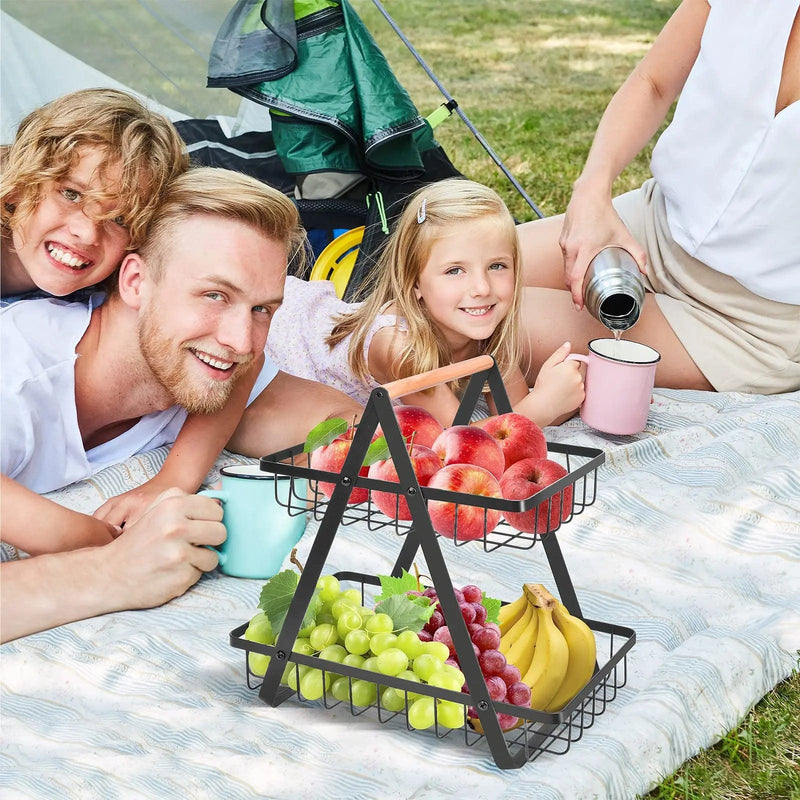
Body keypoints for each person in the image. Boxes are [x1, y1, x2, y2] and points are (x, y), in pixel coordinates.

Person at [1, 167, 360, 560]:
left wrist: (185, 482)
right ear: (136, 281)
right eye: (214, 295)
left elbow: (360, 430)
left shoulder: (205, 372)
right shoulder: (19, 373)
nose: (242, 342)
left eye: (261, 308)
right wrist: (92, 539)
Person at [0, 89, 270, 528]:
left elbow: (242, 356)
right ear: (20, 184)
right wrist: (89, 545)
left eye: (121, 218)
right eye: (71, 194)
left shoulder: (113, 276)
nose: (86, 232)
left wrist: (176, 477)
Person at [516, 0, 800, 395]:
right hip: (651, 225)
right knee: (425, 275)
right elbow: (653, 83)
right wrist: (591, 193)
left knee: (479, 322)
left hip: (743, 324)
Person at [266, 178, 585, 428]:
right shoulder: (399, 348)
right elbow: (457, 445)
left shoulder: (484, 326)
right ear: (415, 282)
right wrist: (542, 407)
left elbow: (513, 415)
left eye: (497, 266)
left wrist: (555, 396)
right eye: (455, 270)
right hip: (285, 333)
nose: (481, 287)